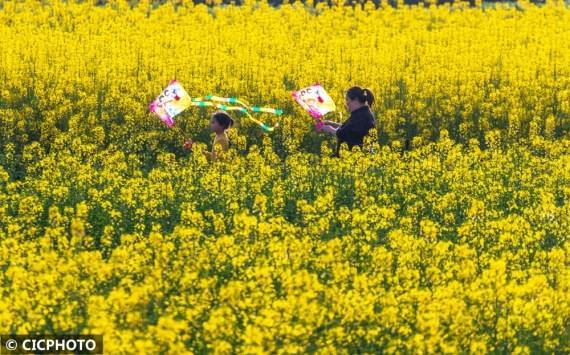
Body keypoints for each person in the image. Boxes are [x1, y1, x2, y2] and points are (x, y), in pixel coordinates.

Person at [319, 86, 376, 157]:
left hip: (355, 159)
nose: (346, 103)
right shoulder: (362, 113)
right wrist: (331, 123)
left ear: (355, 101)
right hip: (349, 157)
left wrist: (328, 129)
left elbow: (345, 133)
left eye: (347, 100)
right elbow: (348, 127)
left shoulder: (362, 116)